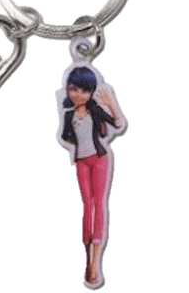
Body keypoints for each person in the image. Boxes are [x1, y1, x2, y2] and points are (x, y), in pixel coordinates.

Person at [60, 66, 123, 285]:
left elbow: (119, 125)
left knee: (98, 203)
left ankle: (96, 260)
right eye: (73, 88)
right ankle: (87, 257)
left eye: (84, 90)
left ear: (91, 92)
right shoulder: (69, 115)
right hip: (81, 162)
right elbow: (65, 137)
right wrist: (78, 147)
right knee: (87, 205)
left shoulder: (95, 111)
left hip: (99, 159)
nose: (78, 94)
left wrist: (111, 104)